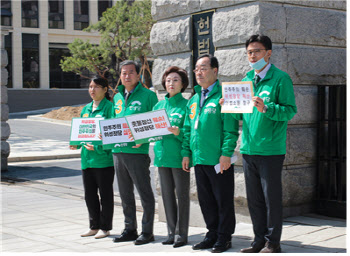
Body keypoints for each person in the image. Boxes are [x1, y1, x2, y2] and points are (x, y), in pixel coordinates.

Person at [231, 34, 297, 253]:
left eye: (257, 51)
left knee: (271, 199)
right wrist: (228, 106)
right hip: (249, 148)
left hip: (270, 150)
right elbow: (240, 116)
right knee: (255, 200)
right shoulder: (246, 80)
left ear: (268, 53)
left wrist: (267, 108)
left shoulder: (281, 79)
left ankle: (273, 242)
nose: (252, 56)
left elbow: (290, 111)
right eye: (249, 52)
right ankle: (258, 240)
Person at [182, 54, 239, 253]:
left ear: (215, 71)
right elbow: (188, 129)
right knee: (206, 200)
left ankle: (224, 237)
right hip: (200, 159)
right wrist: (186, 153)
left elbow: (230, 129)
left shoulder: (225, 95)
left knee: (222, 200)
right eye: (196, 69)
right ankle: (212, 233)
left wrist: (226, 153)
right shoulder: (194, 99)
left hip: (218, 160)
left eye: (203, 68)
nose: (199, 72)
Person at [111, 60, 158, 245]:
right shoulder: (117, 97)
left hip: (137, 153)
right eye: (123, 73)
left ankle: (147, 232)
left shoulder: (148, 96)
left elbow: (156, 124)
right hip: (118, 151)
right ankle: (129, 228)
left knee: (144, 193)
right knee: (125, 194)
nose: (127, 76)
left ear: (138, 75)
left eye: (131, 72)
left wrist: (143, 139)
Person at [70, 75, 115, 239]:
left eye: (96, 87)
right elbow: (82, 132)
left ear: (105, 90)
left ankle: (105, 227)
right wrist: (75, 142)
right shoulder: (86, 109)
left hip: (103, 160)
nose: (92, 90)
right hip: (87, 160)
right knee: (89, 194)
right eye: (90, 87)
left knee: (105, 195)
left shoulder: (110, 108)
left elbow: (112, 134)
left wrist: (97, 146)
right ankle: (93, 225)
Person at [152, 66, 190, 248]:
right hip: (162, 157)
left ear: (182, 84)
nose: (171, 83)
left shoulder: (187, 105)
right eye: (168, 80)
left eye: (175, 80)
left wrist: (179, 132)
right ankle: (170, 232)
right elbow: (151, 130)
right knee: (166, 196)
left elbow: (190, 132)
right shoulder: (159, 106)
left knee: (182, 196)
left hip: (179, 157)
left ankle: (181, 234)